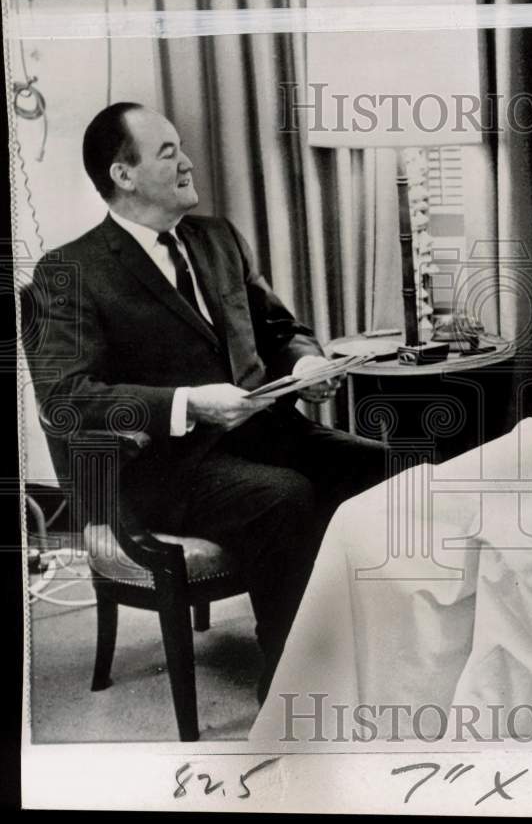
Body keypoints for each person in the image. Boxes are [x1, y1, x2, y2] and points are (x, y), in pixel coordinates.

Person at [22, 102, 388, 702]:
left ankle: (375, 642)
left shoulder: (218, 239)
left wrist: (306, 363)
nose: (188, 161)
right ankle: (299, 682)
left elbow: (278, 329)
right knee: (283, 497)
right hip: (162, 470)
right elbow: (67, 398)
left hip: (263, 434)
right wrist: (188, 403)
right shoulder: (70, 271)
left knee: (380, 468)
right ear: (123, 174)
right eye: (168, 152)